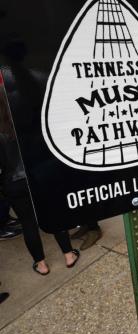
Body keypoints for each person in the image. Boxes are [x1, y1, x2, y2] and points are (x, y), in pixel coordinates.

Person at [0, 89, 79, 275]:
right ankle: (68, 255)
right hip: (39, 177)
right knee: (53, 214)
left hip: (13, 182)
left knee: (28, 224)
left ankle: (41, 264)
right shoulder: (28, 120)